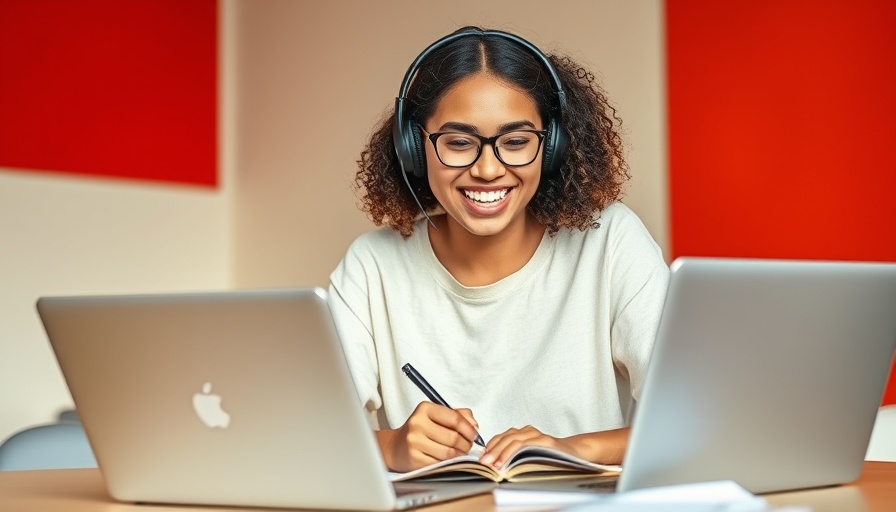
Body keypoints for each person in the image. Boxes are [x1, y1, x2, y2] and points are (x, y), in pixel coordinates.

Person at [327, 26, 670, 474]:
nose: (488, 169)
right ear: (413, 148)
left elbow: (696, 420)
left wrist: (572, 449)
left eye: (515, 142)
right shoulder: (372, 266)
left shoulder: (610, 242)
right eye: (458, 143)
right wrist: (390, 446)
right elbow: (307, 435)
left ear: (551, 146)